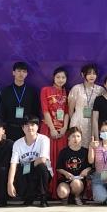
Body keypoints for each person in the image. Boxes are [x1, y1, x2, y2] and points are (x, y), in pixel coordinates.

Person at [7, 116, 52, 207]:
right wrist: (10, 183)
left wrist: (26, 166)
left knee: (41, 166)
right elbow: (13, 164)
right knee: (18, 169)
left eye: (32, 125)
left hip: (41, 171)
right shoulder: (17, 143)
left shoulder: (44, 139)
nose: (30, 128)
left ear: (37, 127)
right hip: (26, 172)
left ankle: (43, 197)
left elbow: (42, 159)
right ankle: (28, 196)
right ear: (23, 128)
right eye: (26, 125)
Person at [40, 67, 69, 197]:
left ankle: (60, 190)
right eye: (58, 77)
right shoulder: (45, 90)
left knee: (60, 159)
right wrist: (52, 128)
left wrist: (64, 128)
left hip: (62, 131)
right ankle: (47, 190)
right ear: (53, 77)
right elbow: (45, 110)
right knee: (48, 158)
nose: (60, 80)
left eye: (63, 77)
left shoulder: (67, 92)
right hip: (48, 129)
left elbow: (67, 112)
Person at [0, 61, 41, 142]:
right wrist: (2, 130)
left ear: (27, 74)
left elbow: (36, 112)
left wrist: (35, 128)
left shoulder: (31, 91)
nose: (21, 74)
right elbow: (2, 112)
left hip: (27, 129)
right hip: (10, 129)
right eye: (18, 71)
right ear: (13, 73)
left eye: (24, 71)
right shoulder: (6, 91)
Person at [55, 126, 91, 205]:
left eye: (78, 136)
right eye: (73, 136)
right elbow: (58, 168)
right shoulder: (64, 152)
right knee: (62, 192)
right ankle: (66, 198)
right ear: (69, 138)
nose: (76, 139)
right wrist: (66, 173)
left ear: (81, 138)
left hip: (79, 180)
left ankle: (77, 197)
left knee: (76, 183)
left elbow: (90, 166)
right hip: (66, 180)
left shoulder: (85, 151)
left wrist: (86, 170)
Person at [68, 64, 103, 143]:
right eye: (89, 73)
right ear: (83, 74)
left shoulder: (100, 90)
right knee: (77, 144)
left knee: (91, 144)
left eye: (94, 73)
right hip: (78, 121)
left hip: (93, 122)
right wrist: (73, 121)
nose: (92, 76)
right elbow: (70, 109)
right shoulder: (76, 88)